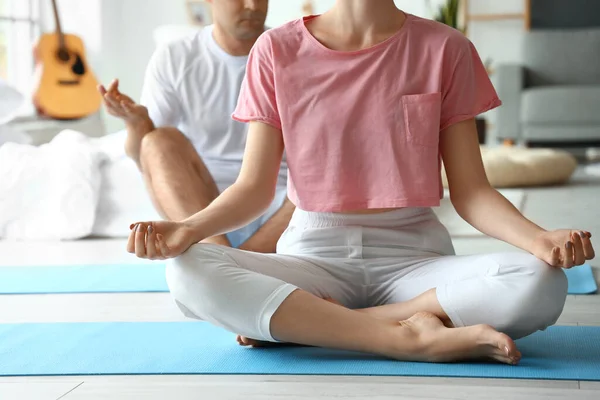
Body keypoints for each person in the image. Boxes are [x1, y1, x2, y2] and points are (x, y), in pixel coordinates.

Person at [127, 0, 596, 364]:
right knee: (186, 270)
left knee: (541, 281)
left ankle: (325, 325)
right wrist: (188, 229)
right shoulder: (275, 51)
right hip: (313, 254)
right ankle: (409, 340)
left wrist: (538, 238)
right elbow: (253, 188)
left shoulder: (446, 48)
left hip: (416, 262)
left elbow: (472, 192)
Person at [97, 0, 294, 253]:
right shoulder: (175, 57)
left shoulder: (295, 54)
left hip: (279, 210)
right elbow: (145, 158)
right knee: (157, 140)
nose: (253, 6)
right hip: (200, 213)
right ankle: (223, 256)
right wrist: (135, 122)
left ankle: (225, 263)